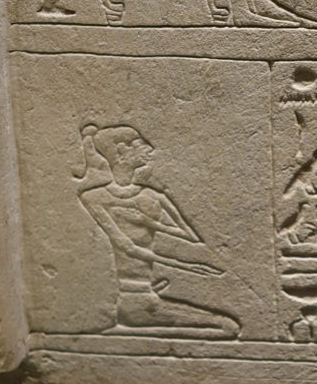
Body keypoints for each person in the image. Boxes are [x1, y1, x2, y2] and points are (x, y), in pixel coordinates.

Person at [76, 124, 240, 339]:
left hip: (148, 295)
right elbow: (127, 247)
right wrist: (187, 266)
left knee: (228, 326)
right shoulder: (93, 197)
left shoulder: (153, 196)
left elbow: (191, 237)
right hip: (134, 299)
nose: (149, 148)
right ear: (121, 152)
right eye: (140, 144)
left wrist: (149, 222)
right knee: (227, 326)